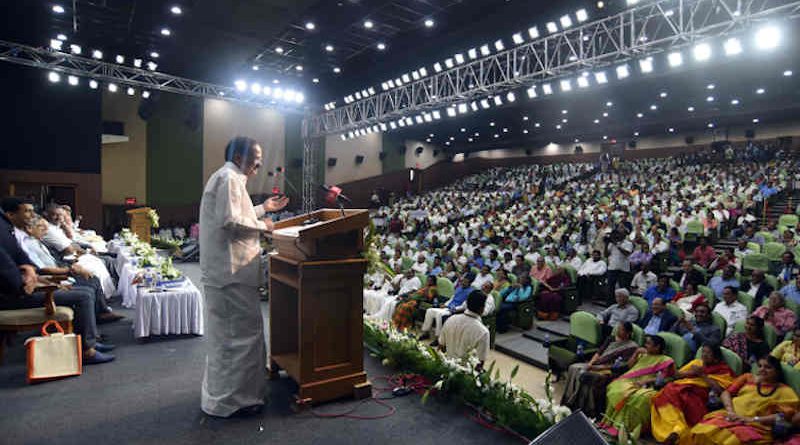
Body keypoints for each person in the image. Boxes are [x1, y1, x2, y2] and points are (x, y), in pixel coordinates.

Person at [199, 137, 289, 418]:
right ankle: (234, 401)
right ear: (239, 157)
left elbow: (235, 213)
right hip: (230, 274)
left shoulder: (228, 177)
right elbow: (231, 221)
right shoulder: (230, 178)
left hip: (227, 274)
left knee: (230, 337)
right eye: (256, 158)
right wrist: (265, 225)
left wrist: (264, 209)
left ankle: (228, 396)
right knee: (238, 338)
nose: (260, 164)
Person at [689, 356, 800, 445]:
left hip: (755, 425)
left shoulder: (785, 391)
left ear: (777, 372)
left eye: (768, 367)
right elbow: (726, 393)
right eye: (760, 366)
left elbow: (782, 416)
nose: (762, 370)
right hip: (729, 416)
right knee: (702, 431)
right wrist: (730, 411)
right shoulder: (748, 377)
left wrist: (750, 419)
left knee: (728, 441)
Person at [651, 344, 736, 445]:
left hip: (701, 396)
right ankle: (675, 430)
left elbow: (720, 389)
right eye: (703, 352)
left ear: (716, 357)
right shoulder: (697, 363)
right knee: (666, 393)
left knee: (678, 396)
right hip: (682, 388)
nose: (704, 355)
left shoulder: (723, 370)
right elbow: (678, 375)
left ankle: (678, 431)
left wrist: (702, 375)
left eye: (708, 353)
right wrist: (674, 369)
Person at [600, 335, 676, 437]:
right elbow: (630, 366)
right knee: (616, 388)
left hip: (651, 386)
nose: (645, 345)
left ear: (657, 347)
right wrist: (636, 353)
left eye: (648, 344)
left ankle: (623, 429)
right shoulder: (643, 355)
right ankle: (610, 422)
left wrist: (646, 381)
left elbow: (667, 378)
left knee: (634, 397)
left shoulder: (666, 360)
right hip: (632, 380)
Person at [561, 321, 640, 419]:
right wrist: (591, 363)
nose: (618, 331)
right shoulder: (611, 339)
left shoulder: (632, 346)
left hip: (610, 369)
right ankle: (571, 401)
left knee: (587, 375)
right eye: (618, 328)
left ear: (628, 333)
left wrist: (596, 368)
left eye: (621, 329)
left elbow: (623, 365)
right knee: (573, 368)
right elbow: (599, 352)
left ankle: (587, 408)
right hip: (597, 364)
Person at [438, 290, 490, 366]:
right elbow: (480, 362)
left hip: (446, 368)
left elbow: (441, 346)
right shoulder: (483, 332)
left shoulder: (451, 319)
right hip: (465, 375)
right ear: (482, 309)